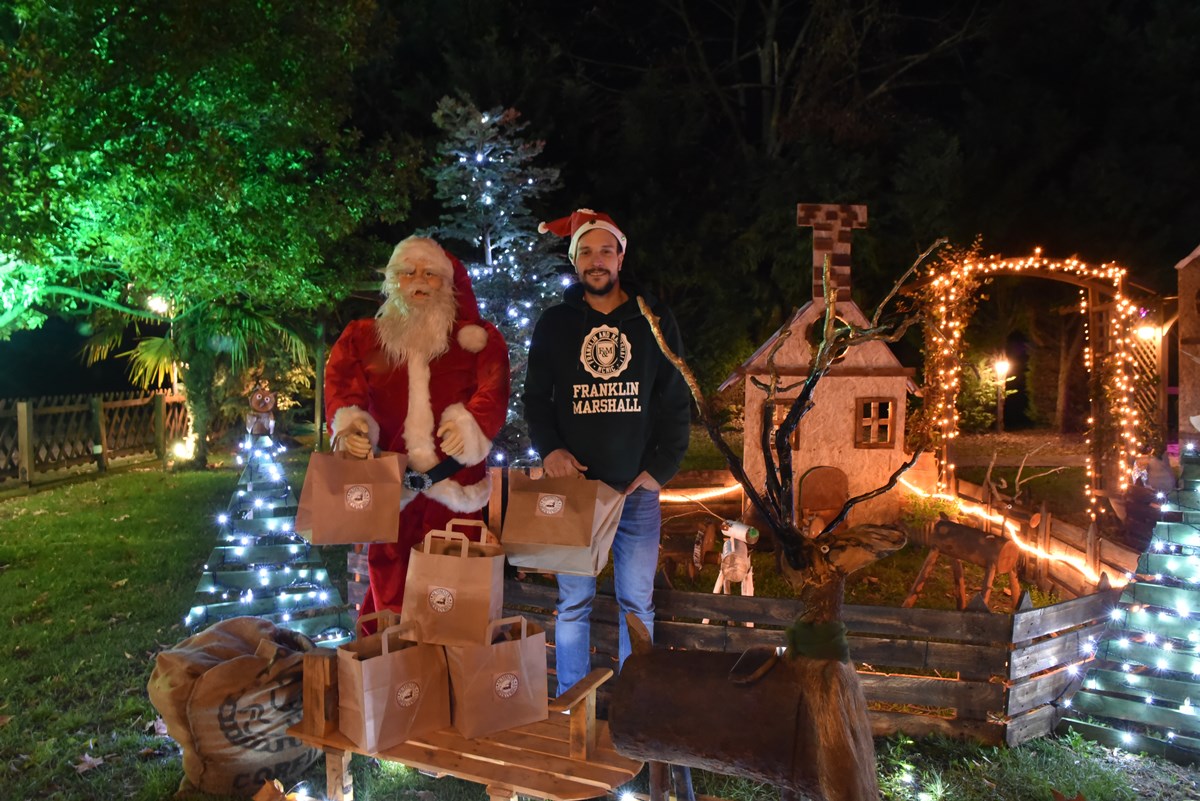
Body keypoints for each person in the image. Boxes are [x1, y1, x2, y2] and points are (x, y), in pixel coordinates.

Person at [524, 208, 691, 694]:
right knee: (573, 604)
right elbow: (536, 398)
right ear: (575, 261)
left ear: (620, 257)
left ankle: (633, 704)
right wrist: (551, 450)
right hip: (576, 492)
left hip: (636, 492)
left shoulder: (653, 320)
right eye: (586, 253)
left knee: (637, 606)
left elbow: (676, 398)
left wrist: (662, 468)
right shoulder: (555, 323)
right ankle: (572, 702)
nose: (596, 261)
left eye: (605, 251)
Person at [324, 235, 510, 631]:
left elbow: (493, 389)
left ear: (447, 283)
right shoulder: (362, 338)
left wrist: (472, 425)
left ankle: (447, 667)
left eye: (430, 274)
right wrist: (351, 426)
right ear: (393, 280)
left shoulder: (477, 340)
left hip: (455, 487)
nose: (419, 282)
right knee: (390, 590)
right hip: (393, 488)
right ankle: (392, 663)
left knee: (454, 596)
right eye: (408, 273)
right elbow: (343, 386)